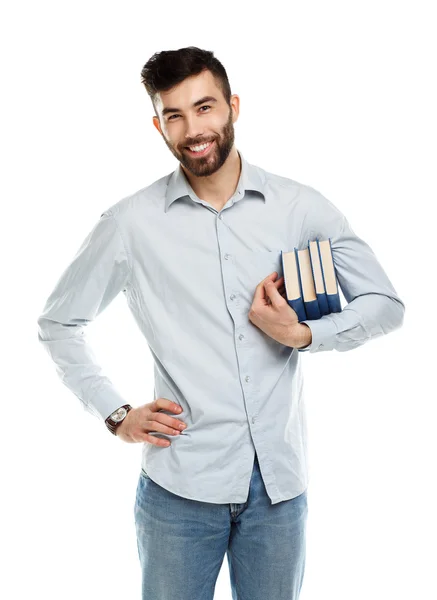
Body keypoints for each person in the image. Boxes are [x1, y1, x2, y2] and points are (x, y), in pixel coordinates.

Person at [37, 46, 405, 600]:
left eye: (204, 107)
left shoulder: (299, 208)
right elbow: (59, 322)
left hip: (279, 490)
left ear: (233, 106)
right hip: (179, 489)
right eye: (174, 115)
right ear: (158, 125)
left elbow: (384, 304)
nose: (192, 129)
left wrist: (302, 335)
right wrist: (115, 414)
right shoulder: (130, 225)